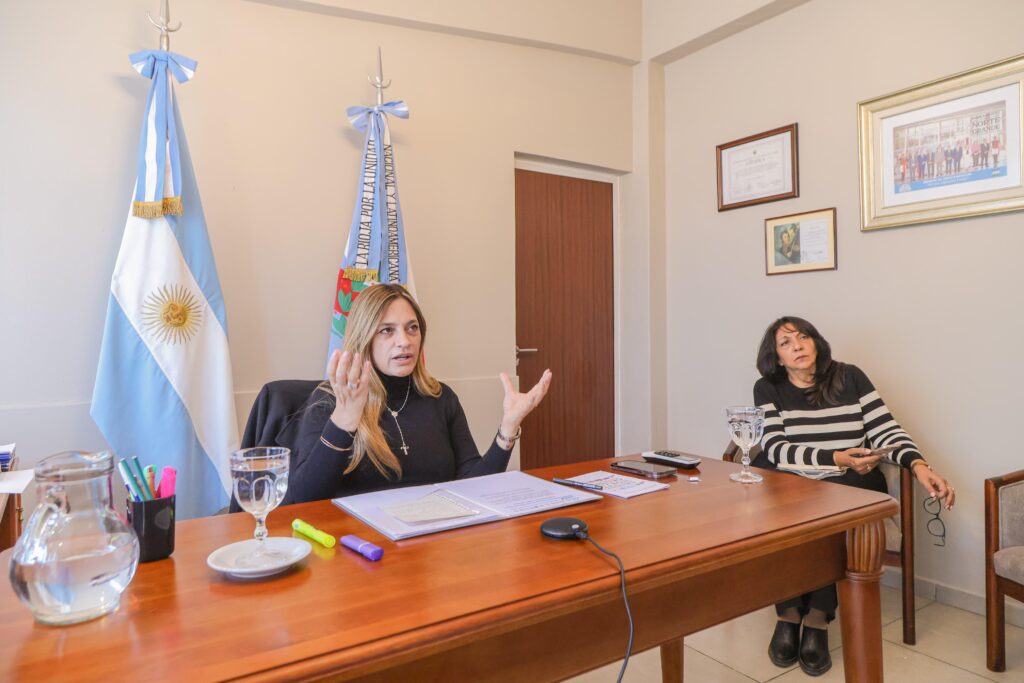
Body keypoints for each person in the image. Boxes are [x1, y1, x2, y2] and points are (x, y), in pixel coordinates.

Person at [752, 316, 955, 677]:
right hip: (796, 477)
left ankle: (817, 618)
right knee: (783, 508)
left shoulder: (850, 376)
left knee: (834, 513)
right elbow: (777, 448)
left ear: (816, 342)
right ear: (777, 357)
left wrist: (919, 466)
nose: (797, 346)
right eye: (786, 343)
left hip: (850, 479)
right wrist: (836, 458)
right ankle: (789, 613)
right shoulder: (768, 388)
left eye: (803, 337)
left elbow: (886, 429)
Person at [250, 284, 552, 506]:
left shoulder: (440, 398)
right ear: (364, 338)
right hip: (357, 549)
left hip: (429, 547)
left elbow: (473, 486)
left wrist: (507, 429)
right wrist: (345, 419)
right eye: (387, 330)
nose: (404, 341)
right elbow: (304, 500)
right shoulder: (330, 401)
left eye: (412, 328)